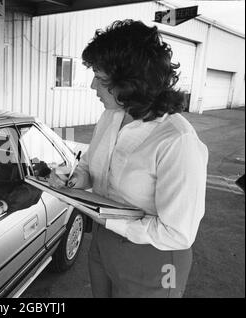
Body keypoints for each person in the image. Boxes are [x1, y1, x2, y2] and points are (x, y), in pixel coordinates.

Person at [48, 20, 208, 298]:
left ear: (129, 82)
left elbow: (178, 233)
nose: (92, 85)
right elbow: (89, 166)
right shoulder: (111, 116)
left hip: (156, 260)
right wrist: (75, 180)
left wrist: (106, 217)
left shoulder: (177, 141)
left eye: (100, 77)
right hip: (103, 243)